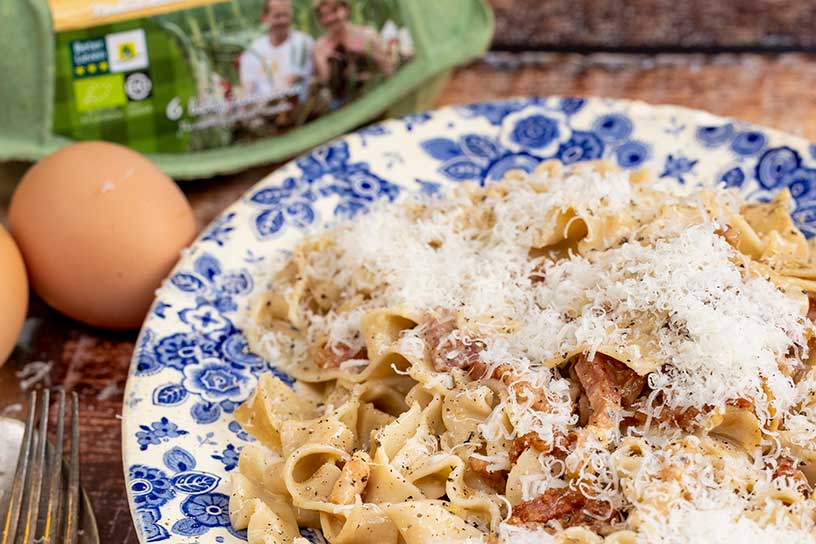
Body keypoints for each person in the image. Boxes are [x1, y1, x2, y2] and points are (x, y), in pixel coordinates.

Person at [312, 0, 393, 107]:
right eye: (324, 15)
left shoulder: (367, 35)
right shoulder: (320, 47)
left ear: (345, 9)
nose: (330, 18)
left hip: (375, 96)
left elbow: (387, 70)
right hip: (343, 105)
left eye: (334, 12)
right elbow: (326, 84)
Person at [239, 0, 314, 101]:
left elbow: (291, 81)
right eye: (277, 16)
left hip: (293, 106)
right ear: (264, 18)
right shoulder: (253, 50)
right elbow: (248, 88)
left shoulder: (302, 42)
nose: (283, 21)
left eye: (286, 15)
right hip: (262, 108)